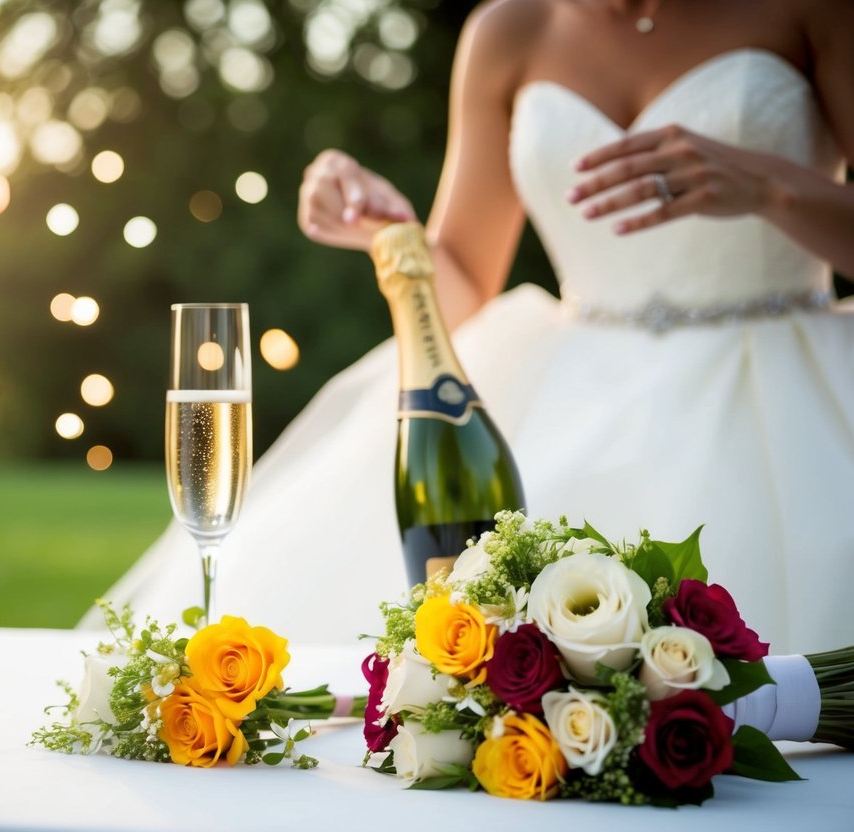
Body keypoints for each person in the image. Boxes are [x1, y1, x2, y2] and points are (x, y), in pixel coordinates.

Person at [90, 0, 854, 654]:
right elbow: (461, 280)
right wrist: (388, 236)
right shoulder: (507, 30)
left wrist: (773, 188)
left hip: (787, 390)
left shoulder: (809, 9)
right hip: (569, 389)